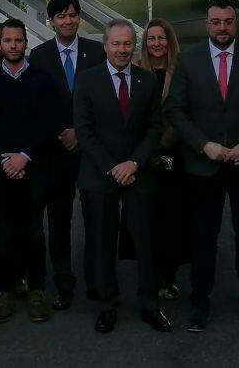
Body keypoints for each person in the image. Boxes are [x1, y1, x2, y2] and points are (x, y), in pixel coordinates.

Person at [165, 0, 239, 333]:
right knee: (203, 236)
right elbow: (177, 111)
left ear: (236, 23)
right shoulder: (188, 61)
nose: (222, 28)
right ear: (207, 24)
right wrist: (205, 145)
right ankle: (200, 303)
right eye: (216, 22)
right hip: (204, 164)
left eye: (228, 21)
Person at [75, 19, 169, 334]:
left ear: (134, 46)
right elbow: (84, 132)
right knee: (102, 241)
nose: (122, 50)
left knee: (146, 241)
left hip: (138, 173)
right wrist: (113, 166)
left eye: (127, 44)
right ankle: (107, 305)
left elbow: (154, 128)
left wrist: (133, 164)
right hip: (100, 174)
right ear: (105, 46)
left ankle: (149, 303)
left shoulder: (147, 81)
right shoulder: (87, 81)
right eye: (115, 44)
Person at [0, 19, 58, 323]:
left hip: (34, 168)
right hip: (1, 170)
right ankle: (6, 291)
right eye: (6, 41)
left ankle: (36, 290)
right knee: (4, 231)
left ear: (25, 43)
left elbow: (49, 124)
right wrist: (6, 160)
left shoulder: (42, 80)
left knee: (34, 231)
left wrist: (24, 157)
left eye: (17, 41)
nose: (11, 46)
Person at [28, 0, 106, 311]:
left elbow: (103, 100)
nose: (68, 20)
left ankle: (97, 280)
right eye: (61, 16)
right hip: (55, 150)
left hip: (90, 150)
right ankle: (63, 282)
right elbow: (37, 105)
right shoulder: (39, 56)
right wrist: (62, 132)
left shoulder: (97, 51)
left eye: (73, 14)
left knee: (96, 218)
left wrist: (80, 133)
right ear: (51, 22)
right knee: (59, 221)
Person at [137, 19, 187, 300]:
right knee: (147, 221)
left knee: (171, 219)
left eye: (161, 38)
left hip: (173, 157)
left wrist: (162, 144)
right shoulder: (135, 71)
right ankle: (151, 277)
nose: (156, 43)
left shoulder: (181, 71)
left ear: (170, 41)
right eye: (151, 38)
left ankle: (170, 276)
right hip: (143, 159)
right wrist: (147, 149)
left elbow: (185, 112)